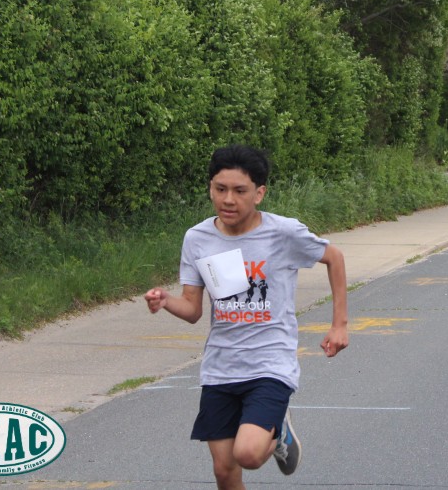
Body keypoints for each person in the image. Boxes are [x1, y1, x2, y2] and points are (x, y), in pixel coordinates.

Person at [145, 145, 349, 490]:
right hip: (221, 366)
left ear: (259, 193)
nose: (228, 199)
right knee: (224, 471)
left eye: (239, 191)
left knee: (249, 454)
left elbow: (334, 257)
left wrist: (339, 325)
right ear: (210, 188)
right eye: (220, 189)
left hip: (270, 363)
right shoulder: (198, 239)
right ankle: (273, 430)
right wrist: (166, 301)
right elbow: (193, 309)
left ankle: (278, 432)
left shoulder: (282, 233)